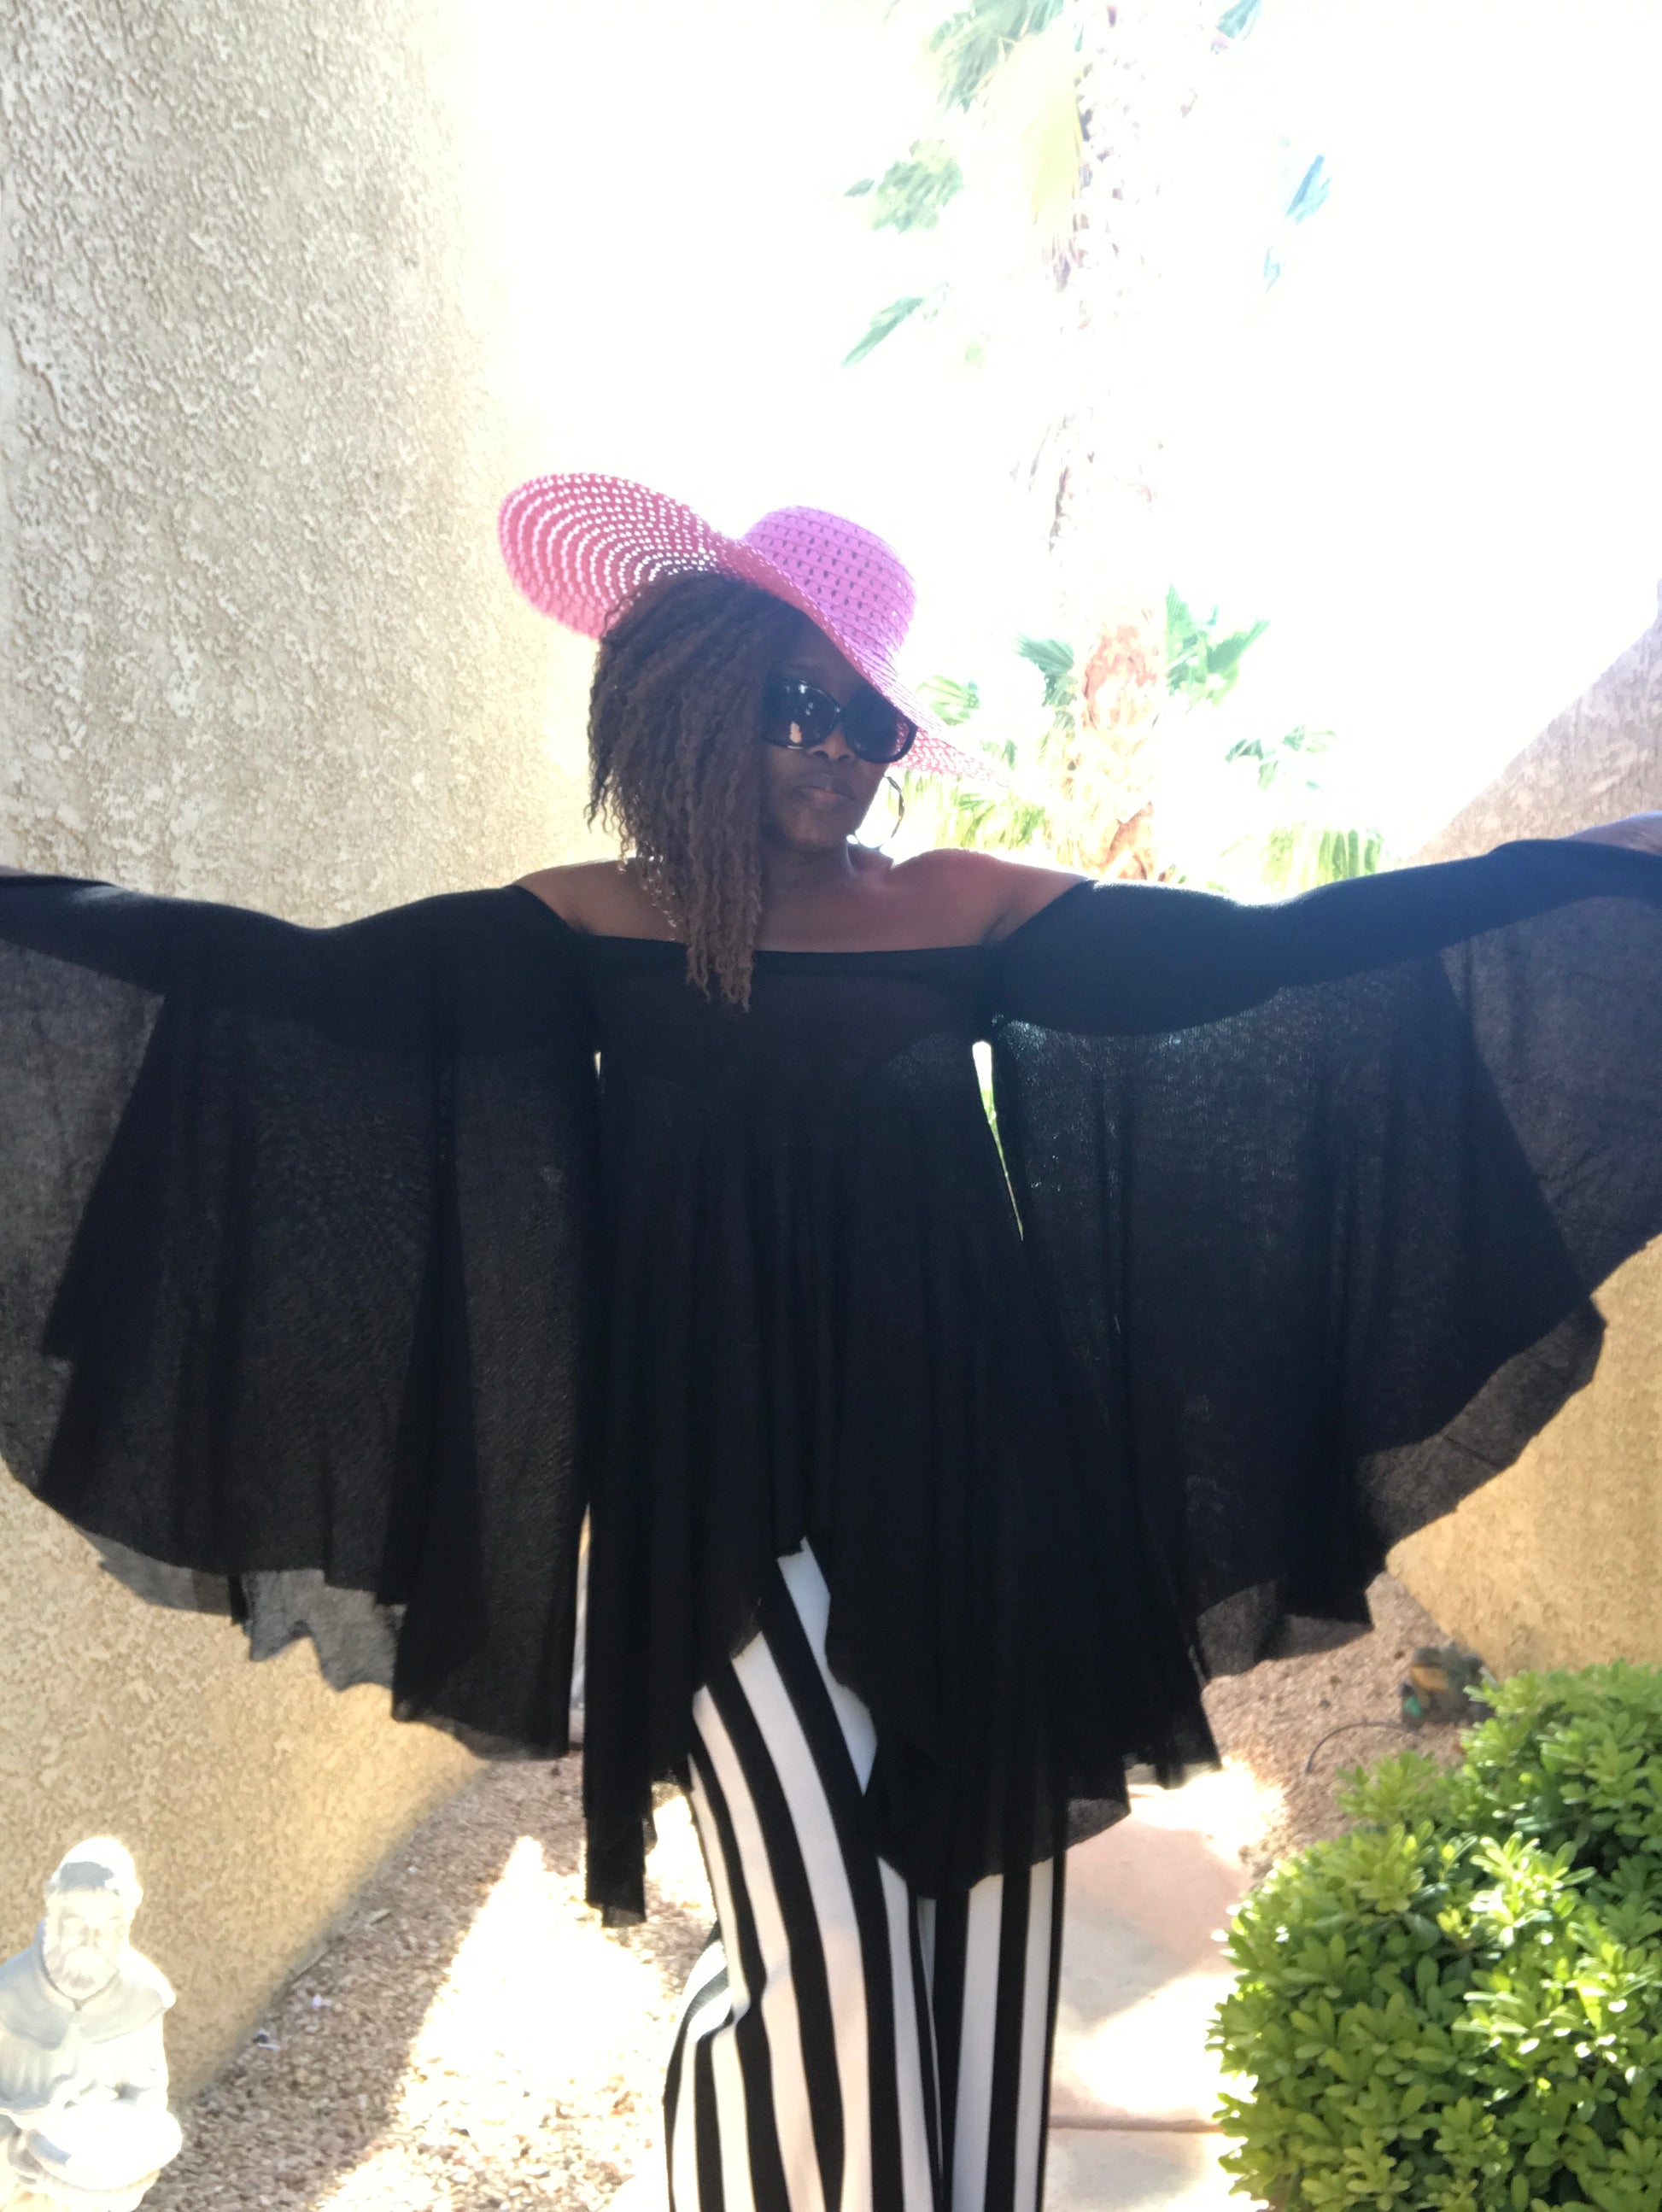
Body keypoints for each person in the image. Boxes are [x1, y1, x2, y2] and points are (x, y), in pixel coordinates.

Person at [0, 473, 1659, 2212]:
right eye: (805, 704)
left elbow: (1280, 953)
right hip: (711, 1501)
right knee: (831, 1954)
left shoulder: (954, 908)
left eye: (874, 725)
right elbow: (273, 985)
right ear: (697, 693)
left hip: (980, 1481)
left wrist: (1579, 871)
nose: (841, 752)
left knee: (986, 1938)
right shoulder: (587, 928)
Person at [0, 1840, 183, 2212]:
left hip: (94, 2177)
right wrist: (17, 2115)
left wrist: (116, 2151)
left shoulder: (143, 1995)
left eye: (107, 1928)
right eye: (77, 1925)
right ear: (53, 1920)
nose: (90, 1941)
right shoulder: (8, 1991)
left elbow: (147, 2093)